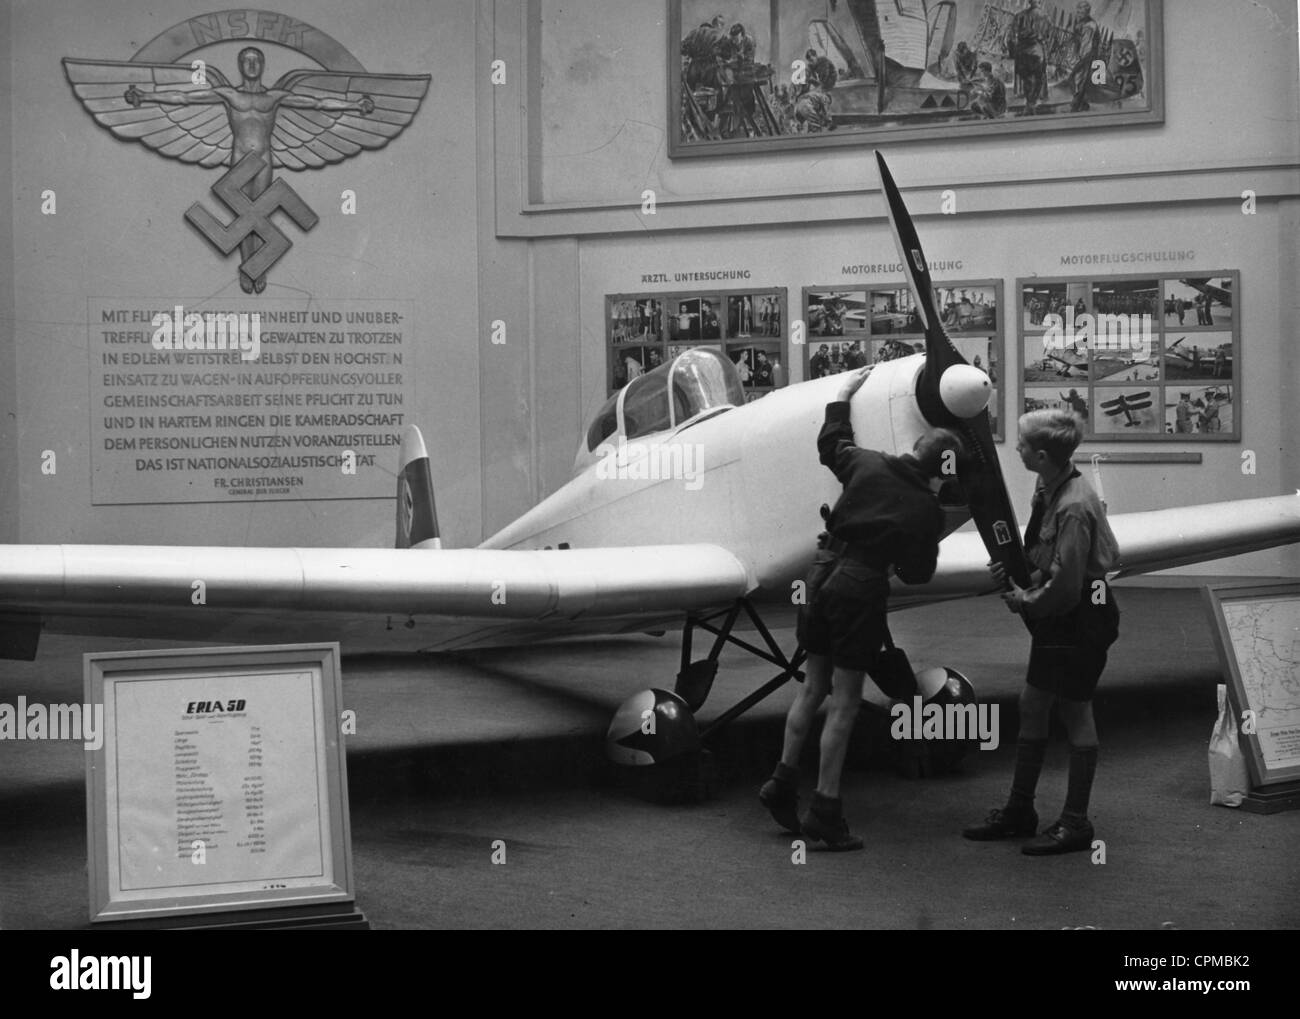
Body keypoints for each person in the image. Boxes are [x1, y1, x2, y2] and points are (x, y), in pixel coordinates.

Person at [760, 367, 966, 850]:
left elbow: (832, 442)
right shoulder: (927, 509)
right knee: (846, 702)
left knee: (812, 688)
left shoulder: (866, 463)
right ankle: (826, 808)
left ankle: (781, 781)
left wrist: (843, 396)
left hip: (821, 575)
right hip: (859, 591)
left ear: (916, 449)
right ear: (943, 469)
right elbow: (919, 573)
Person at [964, 409, 1120, 855]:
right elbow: (1045, 559)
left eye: (1023, 445)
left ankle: (1075, 823)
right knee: (1034, 705)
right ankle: (1020, 811)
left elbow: (1069, 585)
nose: (1017, 449)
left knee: (1074, 710)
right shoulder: (1048, 486)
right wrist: (1017, 574)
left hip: (1080, 615)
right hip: (1065, 613)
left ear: (1044, 455)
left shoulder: (1072, 505)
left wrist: (1023, 600)